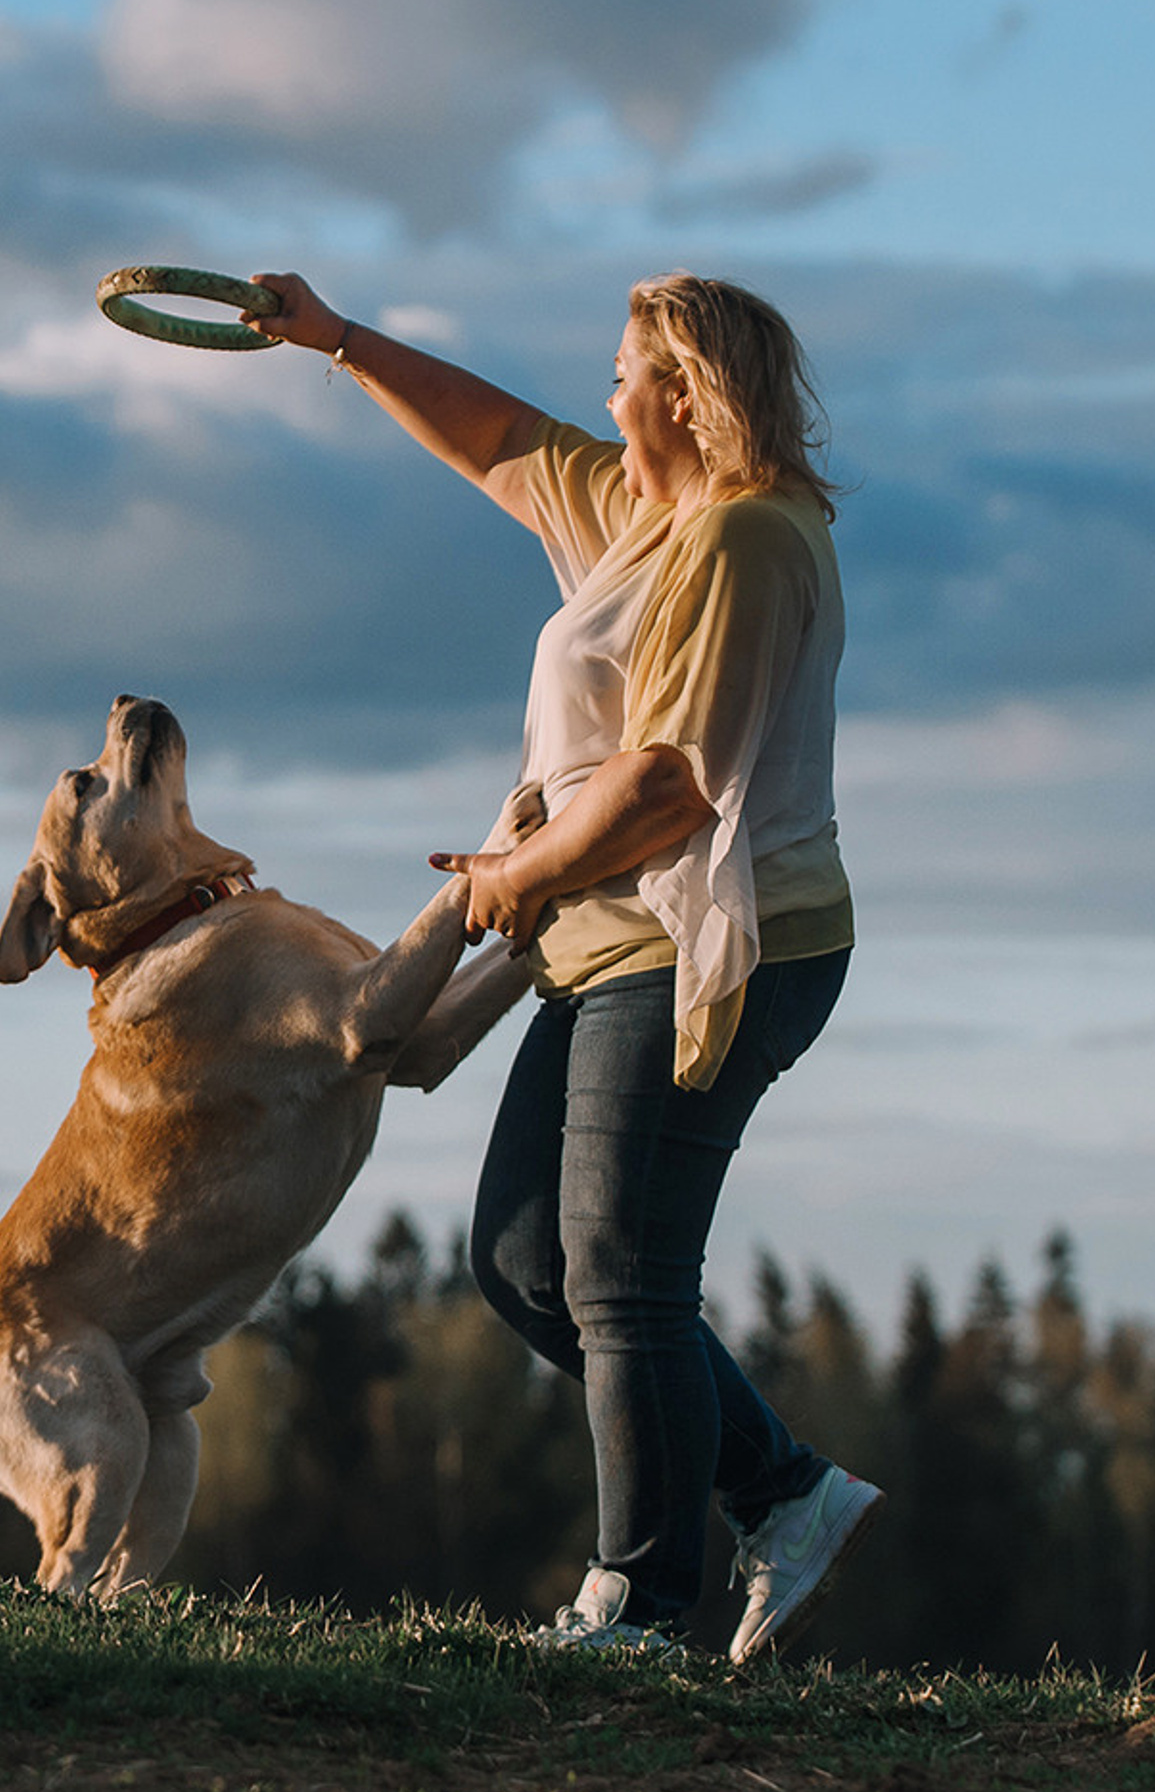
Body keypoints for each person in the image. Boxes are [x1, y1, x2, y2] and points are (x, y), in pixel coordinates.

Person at [245, 270, 882, 1661]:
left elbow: (667, 788)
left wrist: (514, 878)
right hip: (607, 950)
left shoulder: (745, 545)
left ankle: (638, 1608)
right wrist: (336, 340)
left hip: (711, 946)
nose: (603, 398)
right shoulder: (649, 517)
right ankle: (786, 1493)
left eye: (621, 374)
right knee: (533, 1260)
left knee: (622, 1272)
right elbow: (498, 439)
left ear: (683, 396)